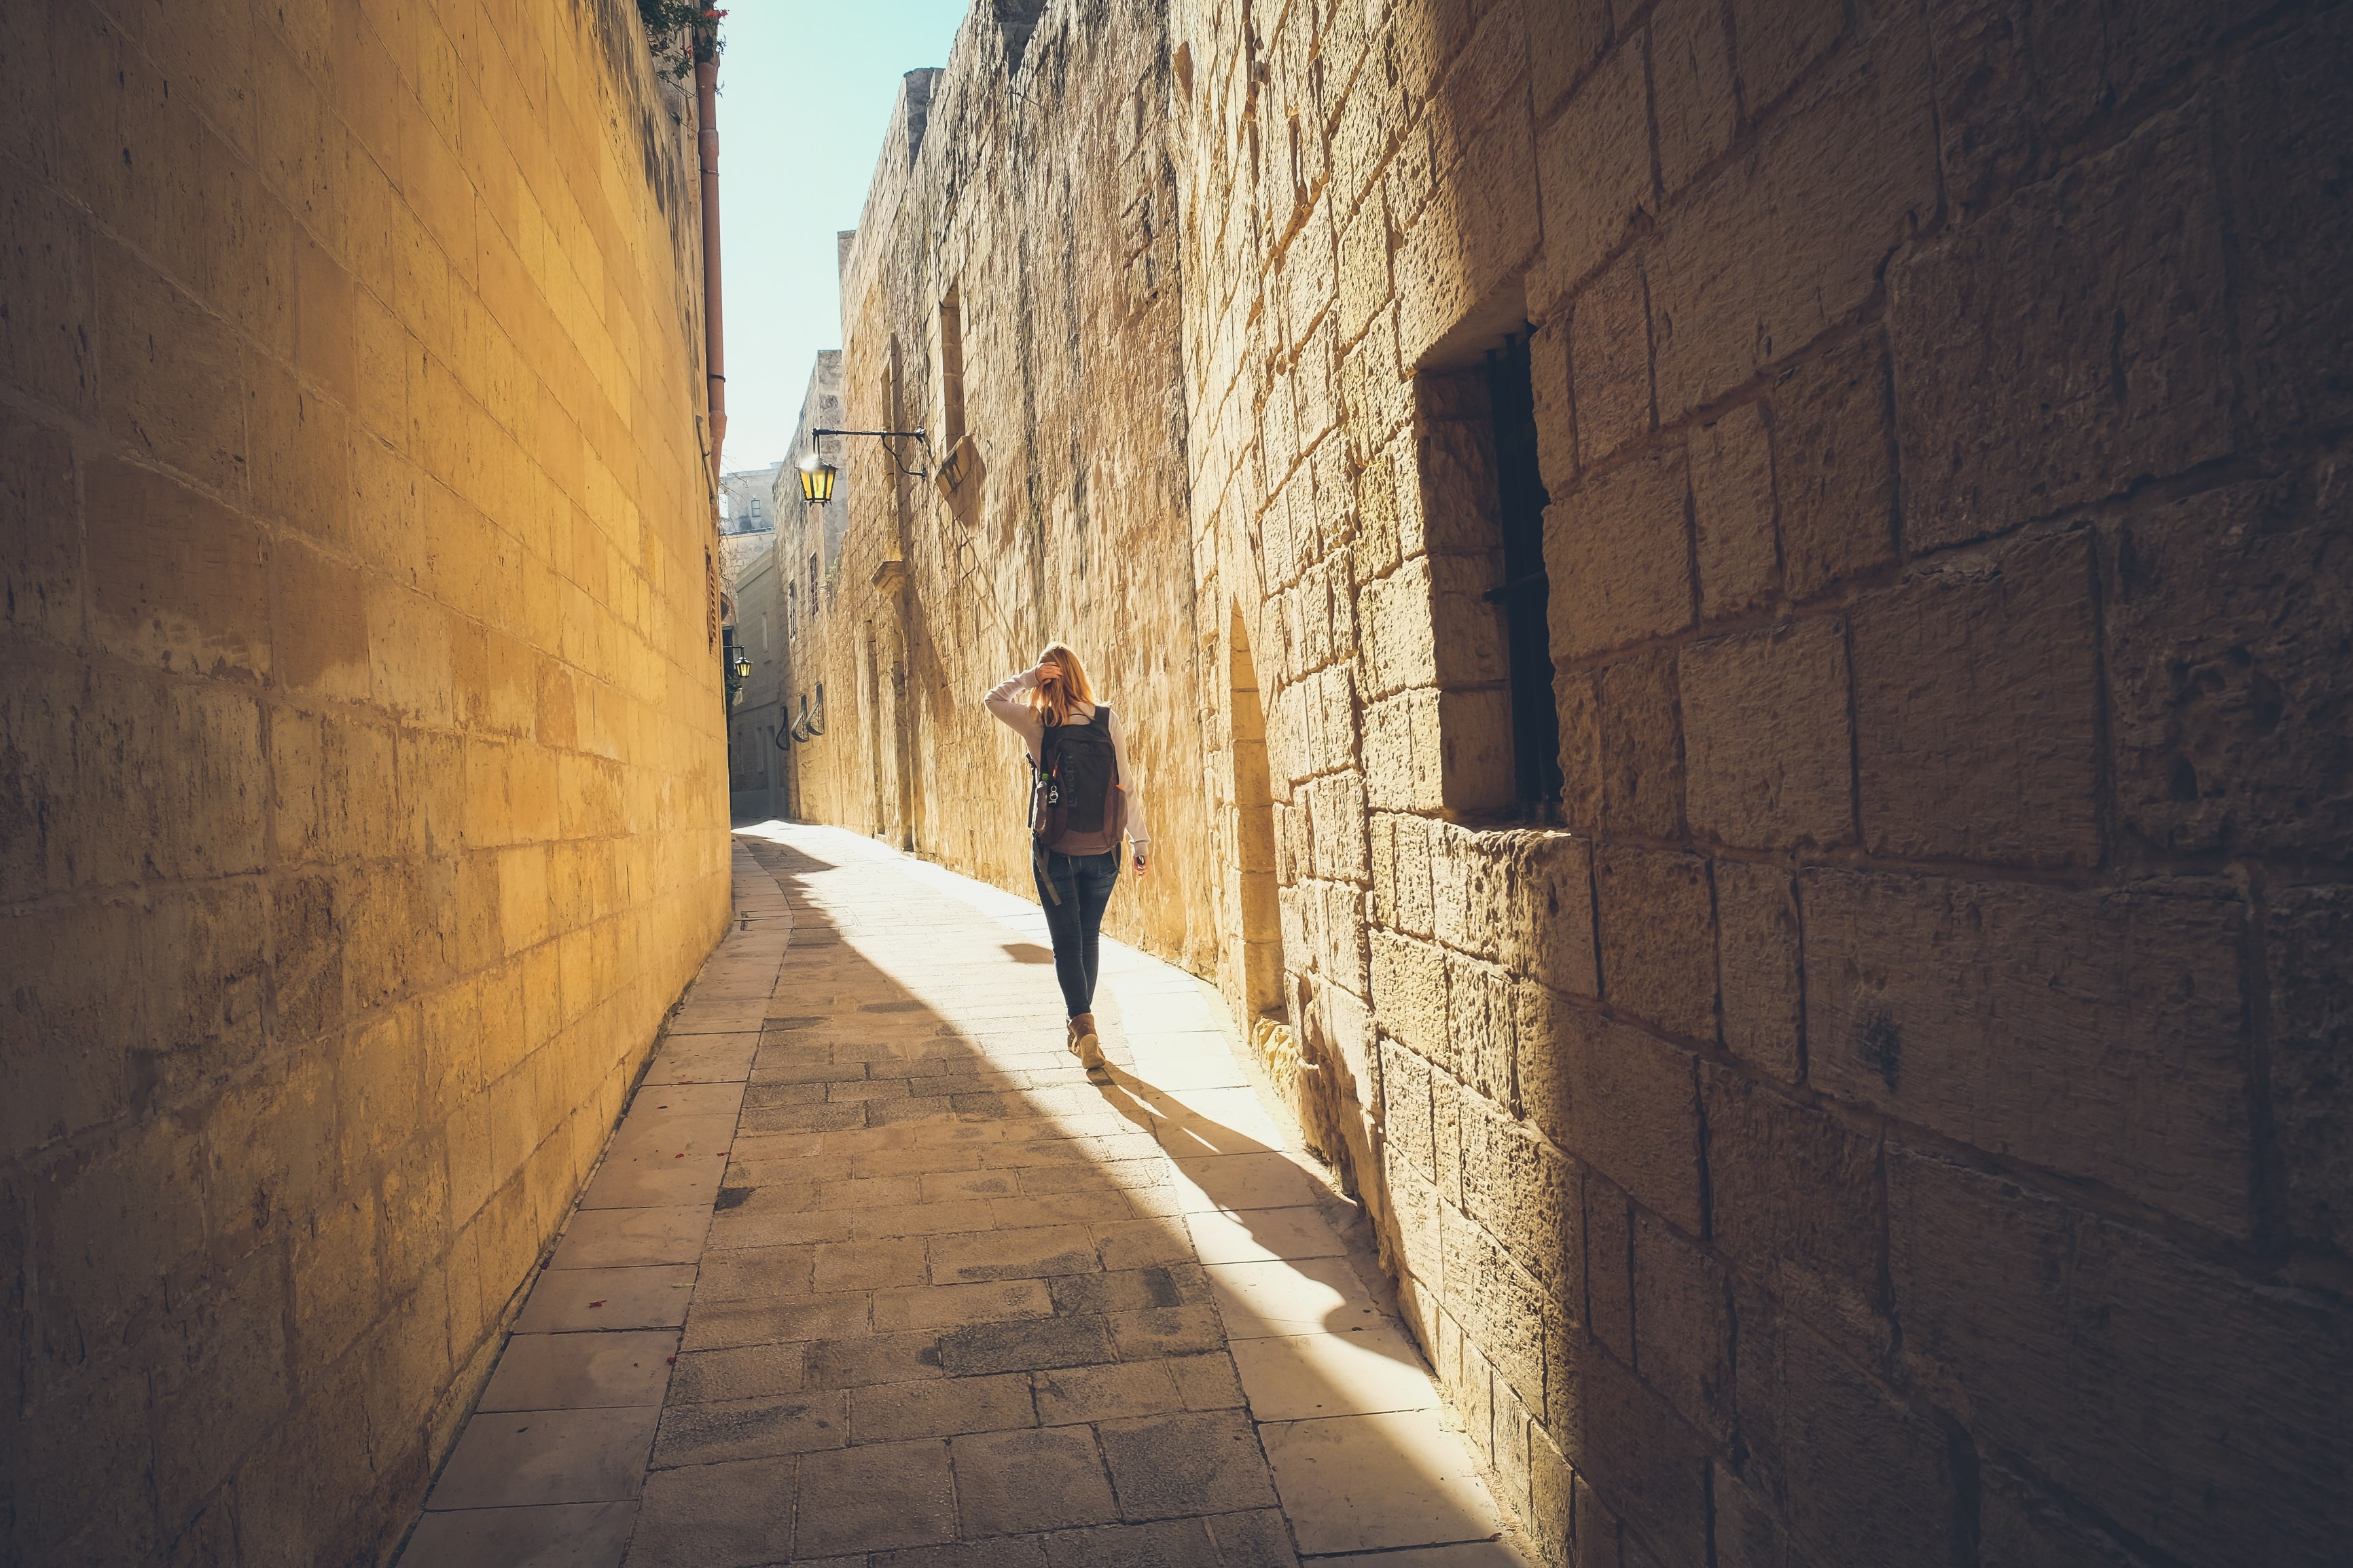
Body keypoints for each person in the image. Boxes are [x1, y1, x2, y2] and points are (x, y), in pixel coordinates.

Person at [984, 644, 1149, 1072]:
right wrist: (1140, 842)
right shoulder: (1106, 718)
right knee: (1089, 938)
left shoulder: (1038, 721)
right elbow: (1125, 784)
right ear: (1079, 674)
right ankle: (1082, 1025)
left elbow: (992, 700)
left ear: (1048, 678)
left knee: (1066, 943)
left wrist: (1028, 678)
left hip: (1055, 849)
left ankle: (1084, 1027)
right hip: (1105, 848)